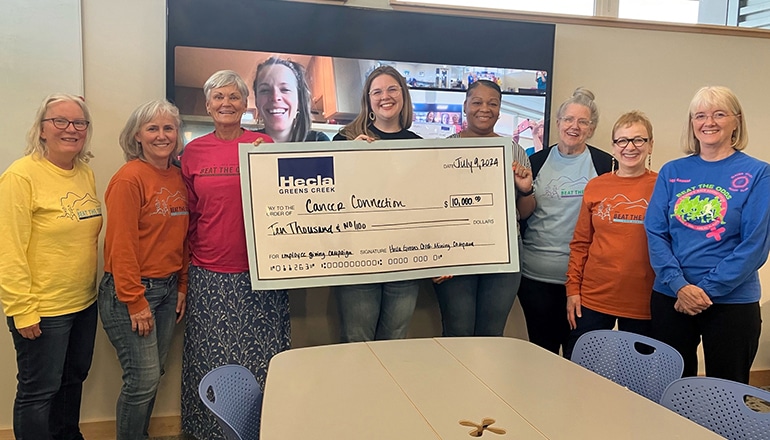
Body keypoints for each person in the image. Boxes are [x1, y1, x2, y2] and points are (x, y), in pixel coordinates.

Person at [180, 70, 289, 439]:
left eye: (234, 97)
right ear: (208, 104)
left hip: (261, 273)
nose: (226, 103)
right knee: (210, 357)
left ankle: (263, 429)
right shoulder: (193, 153)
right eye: (218, 97)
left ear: (246, 105)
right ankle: (208, 431)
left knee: (262, 357)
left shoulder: (265, 146)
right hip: (209, 271)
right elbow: (189, 215)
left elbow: (289, 206)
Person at [645, 86, 770, 384]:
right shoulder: (672, 171)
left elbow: (754, 244)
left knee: (725, 391)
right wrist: (679, 286)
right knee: (667, 387)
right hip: (672, 297)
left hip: (732, 302)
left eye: (719, 114)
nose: (708, 122)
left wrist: (704, 291)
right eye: (700, 115)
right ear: (691, 123)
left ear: (736, 121)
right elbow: (656, 232)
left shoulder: (758, 173)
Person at [0, 93, 102, 439]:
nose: (70, 129)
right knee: (38, 393)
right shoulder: (21, 176)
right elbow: (8, 248)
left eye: (79, 123)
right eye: (60, 121)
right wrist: (21, 309)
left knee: (73, 382)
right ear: (42, 129)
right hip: (43, 310)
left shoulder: (84, 173)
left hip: (84, 304)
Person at [99, 100, 188, 440]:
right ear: (137, 135)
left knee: (154, 375)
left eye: (168, 128)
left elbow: (182, 239)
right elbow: (120, 245)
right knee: (142, 380)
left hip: (166, 291)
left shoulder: (179, 175)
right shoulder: (129, 178)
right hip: (132, 292)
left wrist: (181, 284)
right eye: (153, 128)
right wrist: (135, 301)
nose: (162, 135)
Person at [432, 80, 535, 336]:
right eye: (477, 102)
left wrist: (525, 189)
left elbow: (524, 212)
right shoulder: (442, 149)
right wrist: (438, 255)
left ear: (500, 110)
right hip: (456, 250)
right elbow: (433, 207)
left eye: (493, 103)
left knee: (492, 334)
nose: (484, 108)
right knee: (458, 330)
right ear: (465, 106)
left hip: (504, 250)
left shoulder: (514, 151)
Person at [518, 87, 613, 355]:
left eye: (583, 121)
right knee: (541, 355)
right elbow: (523, 213)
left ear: (592, 128)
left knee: (579, 358)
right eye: (568, 119)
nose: (574, 126)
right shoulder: (535, 161)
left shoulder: (606, 164)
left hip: (585, 282)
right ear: (558, 123)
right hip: (535, 278)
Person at [332, 65, 422, 342]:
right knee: (358, 342)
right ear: (368, 100)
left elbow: (427, 205)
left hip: (405, 261)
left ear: (403, 96)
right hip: (359, 261)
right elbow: (327, 199)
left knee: (394, 341)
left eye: (392, 89)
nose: (385, 96)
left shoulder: (419, 145)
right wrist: (349, 160)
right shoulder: (345, 140)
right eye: (377, 91)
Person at [563, 110, 658, 359]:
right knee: (581, 368)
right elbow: (581, 243)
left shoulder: (663, 186)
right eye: (622, 140)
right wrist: (573, 289)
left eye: (639, 140)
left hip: (644, 301)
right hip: (594, 297)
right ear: (613, 147)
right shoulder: (597, 186)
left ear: (650, 145)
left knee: (637, 376)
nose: (630, 147)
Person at [253, 56, 329, 142]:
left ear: (299, 100)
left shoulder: (318, 141)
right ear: (256, 101)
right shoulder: (244, 145)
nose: (275, 97)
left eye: (285, 89)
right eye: (265, 90)